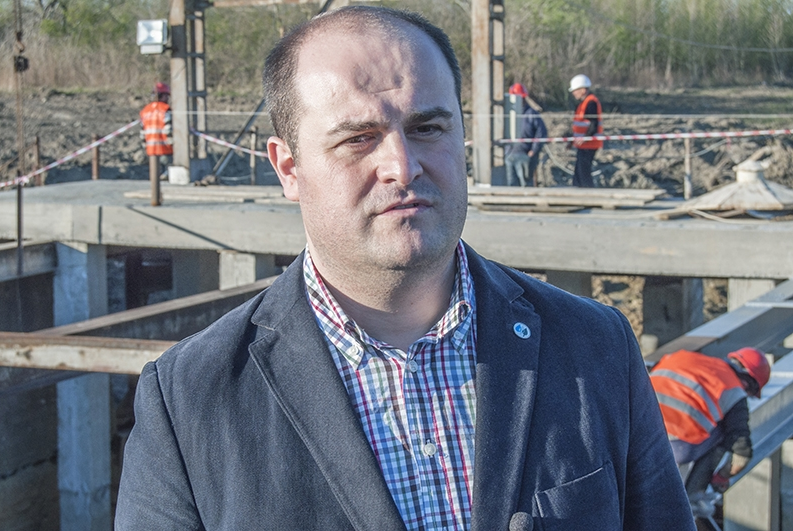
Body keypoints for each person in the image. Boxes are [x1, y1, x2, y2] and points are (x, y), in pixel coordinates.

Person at [115, 7, 694, 530]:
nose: (402, 165)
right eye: (358, 139)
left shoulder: (596, 346)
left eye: (427, 128)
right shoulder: (189, 401)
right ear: (288, 168)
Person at [650, 347, 771, 517]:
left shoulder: (681, 356)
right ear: (748, 383)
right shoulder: (734, 389)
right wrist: (722, 476)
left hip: (638, 432)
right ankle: (693, 496)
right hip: (675, 446)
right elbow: (741, 453)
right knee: (724, 429)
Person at [505, 83, 547, 187]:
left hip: (525, 154)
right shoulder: (508, 114)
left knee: (526, 185)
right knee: (511, 185)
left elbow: (541, 133)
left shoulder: (531, 114)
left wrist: (534, 150)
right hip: (509, 154)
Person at [568, 74, 602, 187]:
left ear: (583, 90)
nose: (573, 93)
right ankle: (578, 191)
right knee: (578, 174)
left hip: (589, 144)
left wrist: (585, 137)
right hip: (583, 144)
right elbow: (579, 125)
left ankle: (588, 193)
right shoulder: (583, 103)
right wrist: (572, 141)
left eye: (575, 90)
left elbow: (593, 124)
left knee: (583, 173)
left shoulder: (591, 103)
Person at [139, 82, 173, 176]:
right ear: (162, 95)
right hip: (165, 148)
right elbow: (168, 130)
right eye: (166, 96)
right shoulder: (165, 109)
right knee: (167, 173)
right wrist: (173, 144)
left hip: (151, 149)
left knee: (155, 174)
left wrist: (145, 145)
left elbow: (142, 132)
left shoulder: (145, 110)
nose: (167, 98)